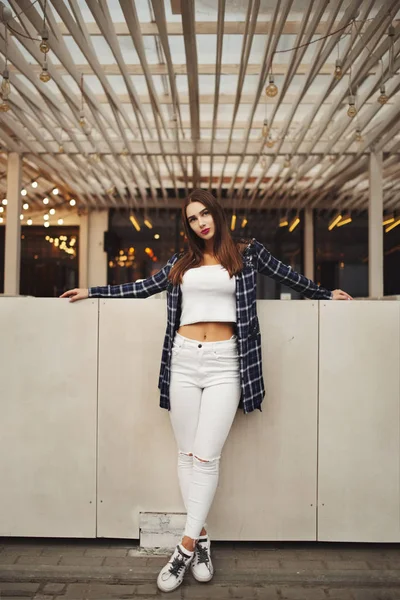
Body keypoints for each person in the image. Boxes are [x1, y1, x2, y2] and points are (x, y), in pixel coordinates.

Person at [60, 189, 352, 593]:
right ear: (189, 225)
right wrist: (93, 291)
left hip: (225, 363)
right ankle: (202, 541)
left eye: (205, 214)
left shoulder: (247, 253)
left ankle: (182, 549)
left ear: (217, 214)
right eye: (193, 218)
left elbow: (289, 276)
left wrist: (324, 293)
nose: (201, 223)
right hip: (182, 359)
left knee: (205, 456)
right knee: (185, 454)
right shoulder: (183, 262)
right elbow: (144, 287)